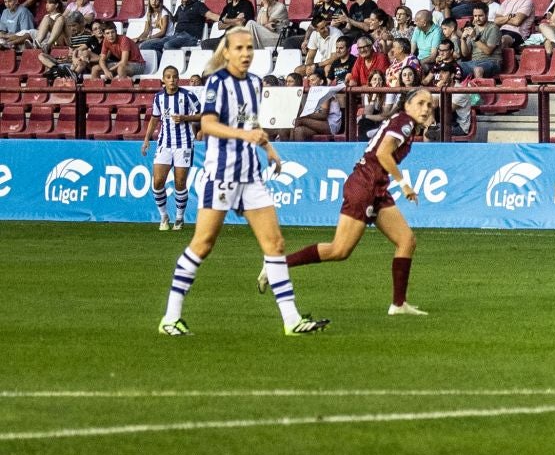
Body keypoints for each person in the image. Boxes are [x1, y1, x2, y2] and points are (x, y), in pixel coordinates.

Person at [157, 28, 328, 336]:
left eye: (250, 47)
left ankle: (292, 320)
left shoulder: (253, 83)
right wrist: (244, 135)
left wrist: (270, 150)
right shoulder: (217, 83)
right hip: (221, 174)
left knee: (275, 243)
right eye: (240, 48)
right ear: (227, 52)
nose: (247, 53)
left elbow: (249, 123)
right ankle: (170, 316)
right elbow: (208, 124)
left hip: (250, 175)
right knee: (202, 244)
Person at [280, 86, 433, 317]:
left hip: (375, 185)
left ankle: (399, 304)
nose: (426, 108)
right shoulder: (405, 123)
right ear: (407, 105)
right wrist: (403, 183)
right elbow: (383, 154)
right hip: (366, 186)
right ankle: (278, 265)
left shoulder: (403, 122)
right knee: (339, 250)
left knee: (407, 240)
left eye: (429, 105)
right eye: (421, 103)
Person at [139, 64, 198, 230]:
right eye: (169, 77)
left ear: (178, 79)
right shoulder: (158, 97)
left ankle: (179, 218)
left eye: (175, 77)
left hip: (184, 144)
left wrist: (185, 117)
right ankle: (164, 216)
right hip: (164, 143)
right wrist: (146, 140)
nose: (172, 80)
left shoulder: (187, 96)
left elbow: (204, 114)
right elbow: (154, 119)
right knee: (157, 182)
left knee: (180, 182)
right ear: (163, 80)